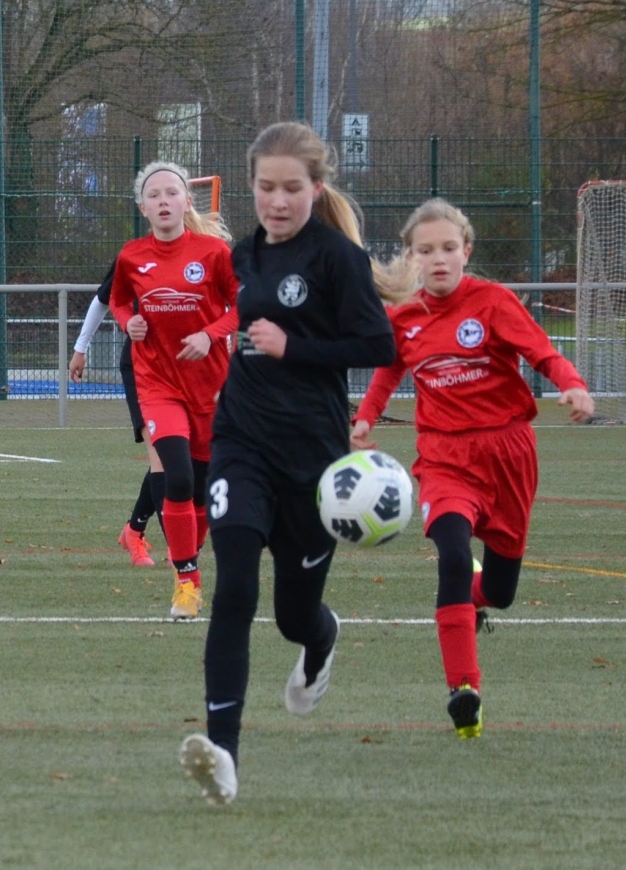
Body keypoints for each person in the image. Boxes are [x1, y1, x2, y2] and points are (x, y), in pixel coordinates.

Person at [178, 122, 395, 806]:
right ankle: (223, 753)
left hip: (314, 460)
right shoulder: (241, 256)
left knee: (293, 616)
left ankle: (321, 639)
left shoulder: (337, 259)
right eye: (266, 187)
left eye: (291, 188)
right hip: (241, 444)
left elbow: (378, 344)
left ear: (316, 188)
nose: (277, 200)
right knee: (234, 586)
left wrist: (292, 347)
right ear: (251, 186)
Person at [351, 198, 595, 739]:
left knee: (500, 591)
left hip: (509, 453)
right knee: (455, 558)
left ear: (466, 250)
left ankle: (476, 601)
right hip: (444, 457)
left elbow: (542, 353)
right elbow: (389, 371)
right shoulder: (404, 317)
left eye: (447, 248)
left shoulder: (493, 302)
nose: (437, 259)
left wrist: (573, 384)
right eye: (424, 250)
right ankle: (464, 689)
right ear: (411, 258)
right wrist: (365, 417)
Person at [108, 162, 238, 620]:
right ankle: (187, 584)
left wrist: (210, 334)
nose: (163, 200)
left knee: (202, 491)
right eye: (154, 195)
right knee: (178, 478)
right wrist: (129, 321)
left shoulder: (215, 253)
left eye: (171, 193)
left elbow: (243, 305)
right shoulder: (131, 256)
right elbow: (117, 300)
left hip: (211, 388)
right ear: (142, 208)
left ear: (186, 201)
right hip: (158, 384)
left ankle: (187, 556)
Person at [69, 257, 164, 567]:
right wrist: (80, 349)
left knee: (182, 458)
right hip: (140, 365)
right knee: (162, 456)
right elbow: (103, 299)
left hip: (179, 368)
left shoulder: (203, 255)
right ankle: (181, 551)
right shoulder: (135, 257)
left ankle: (134, 530)